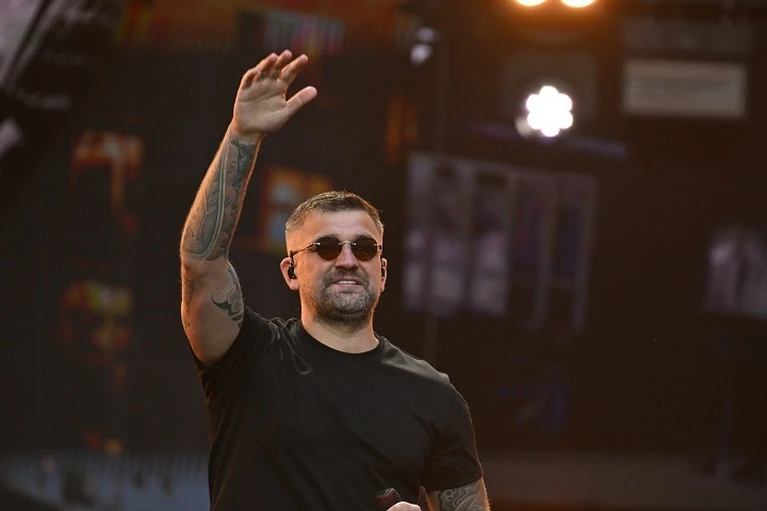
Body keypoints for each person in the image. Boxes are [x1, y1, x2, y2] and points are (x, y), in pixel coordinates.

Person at [179, 50, 490, 511]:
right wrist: (242, 136)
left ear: (382, 271)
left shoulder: (434, 395)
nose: (347, 260)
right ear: (290, 271)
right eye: (325, 247)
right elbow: (201, 262)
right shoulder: (249, 357)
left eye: (364, 248)